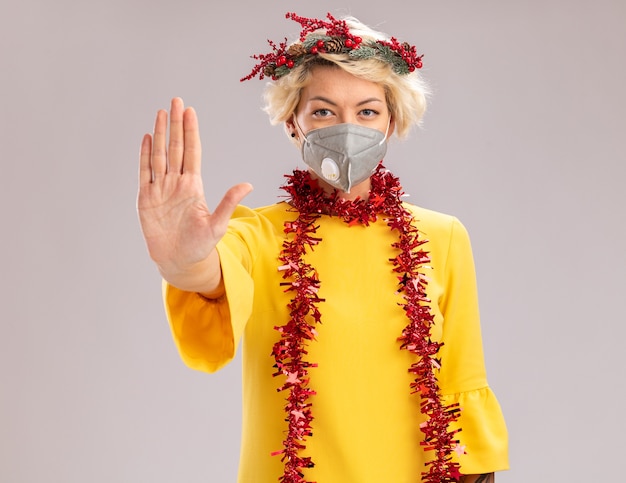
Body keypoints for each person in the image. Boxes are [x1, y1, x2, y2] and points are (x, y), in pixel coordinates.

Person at [137, 12, 508, 483]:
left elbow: (461, 378)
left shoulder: (443, 237)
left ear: (391, 123)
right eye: (324, 111)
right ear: (294, 123)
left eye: (367, 111)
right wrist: (184, 261)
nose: (346, 127)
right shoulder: (259, 234)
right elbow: (209, 275)